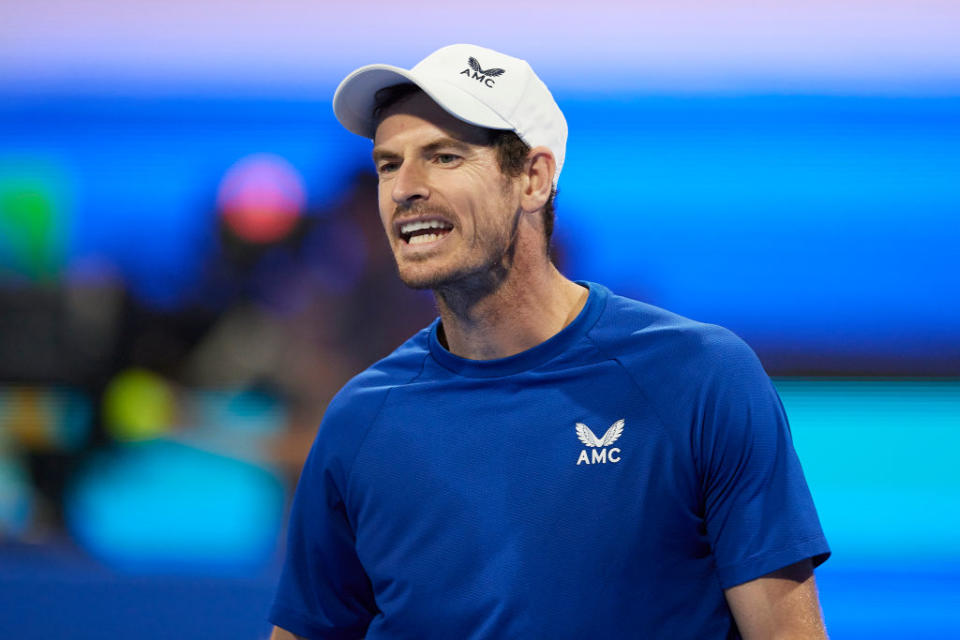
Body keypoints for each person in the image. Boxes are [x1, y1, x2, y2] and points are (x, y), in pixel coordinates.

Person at [269, 44, 830, 639]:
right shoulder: (360, 420)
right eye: (388, 164)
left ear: (533, 178)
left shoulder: (700, 377)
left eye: (443, 157)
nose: (404, 188)